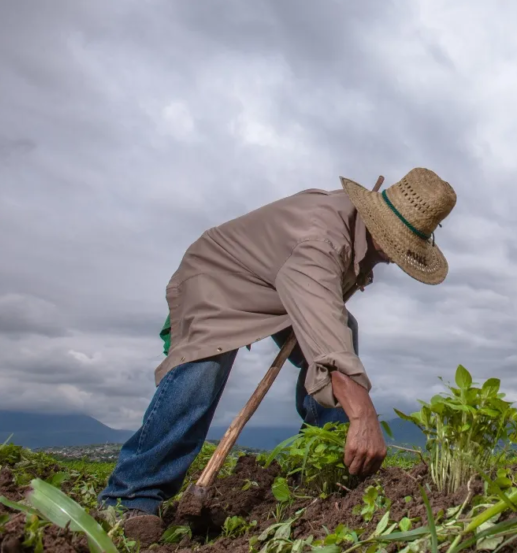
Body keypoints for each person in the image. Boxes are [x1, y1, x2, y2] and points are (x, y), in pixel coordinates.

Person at [98, 167, 457, 536]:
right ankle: (132, 496)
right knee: (204, 366)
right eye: (397, 248)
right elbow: (326, 333)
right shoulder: (324, 239)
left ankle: (326, 469)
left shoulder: (353, 234)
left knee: (343, 330)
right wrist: (363, 413)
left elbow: (326, 319)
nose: (396, 259)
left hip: (276, 284)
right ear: (382, 232)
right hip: (217, 277)